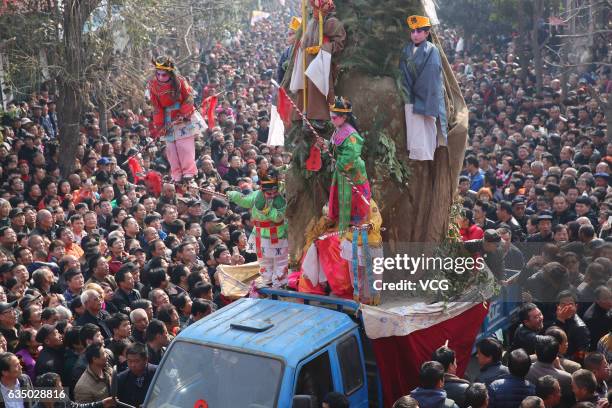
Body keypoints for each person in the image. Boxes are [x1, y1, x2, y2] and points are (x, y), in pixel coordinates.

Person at [147, 56, 206, 183]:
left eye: (164, 74)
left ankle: (189, 172)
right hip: (167, 119)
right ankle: (176, 174)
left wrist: (183, 113)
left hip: (183, 116)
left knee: (184, 146)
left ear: (170, 73)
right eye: (158, 74)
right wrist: (160, 125)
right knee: (171, 149)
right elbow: (156, 107)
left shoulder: (179, 81)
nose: (161, 77)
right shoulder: (153, 84)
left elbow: (189, 98)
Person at [227, 168, 288, 287]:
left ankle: (280, 283)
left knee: (280, 261)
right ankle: (267, 282)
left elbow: (278, 217)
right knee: (264, 262)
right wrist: (232, 194)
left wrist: (267, 210)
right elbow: (243, 200)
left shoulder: (280, 198)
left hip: (278, 233)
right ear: (262, 189)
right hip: (260, 234)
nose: (272, 195)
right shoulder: (256, 195)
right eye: (268, 193)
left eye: (274, 192)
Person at [400, 15, 447, 161]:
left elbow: (431, 75)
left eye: (419, 31)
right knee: (413, 128)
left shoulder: (432, 50)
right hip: (409, 94)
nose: (415, 35)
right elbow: (402, 71)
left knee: (424, 127)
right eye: (412, 31)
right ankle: (414, 152)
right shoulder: (406, 50)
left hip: (425, 95)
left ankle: (426, 155)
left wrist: (416, 91)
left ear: (427, 33)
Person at [291, 0, 346, 123]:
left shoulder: (332, 22)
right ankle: (303, 115)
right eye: (313, 9)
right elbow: (306, 40)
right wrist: (302, 46)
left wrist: (322, 48)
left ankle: (319, 117)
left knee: (317, 83)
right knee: (304, 87)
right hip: (307, 60)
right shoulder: (312, 22)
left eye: (317, 9)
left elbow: (339, 44)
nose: (314, 12)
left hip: (322, 62)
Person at [326, 96, 371, 232]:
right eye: (331, 117)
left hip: (352, 172)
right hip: (343, 171)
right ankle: (343, 223)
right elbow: (336, 148)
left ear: (344, 117)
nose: (332, 120)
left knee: (354, 199)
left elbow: (351, 155)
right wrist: (325, 144)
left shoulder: (350, 134)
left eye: (334, 118)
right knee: (343, 198)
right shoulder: (338, 129)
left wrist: (340, 164)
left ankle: (355, 225)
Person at [116, 343, 157, 407]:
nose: (133, 365)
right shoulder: (121, 379)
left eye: (136, 361)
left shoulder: (157, 373)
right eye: (129, 361)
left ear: (146, 359)